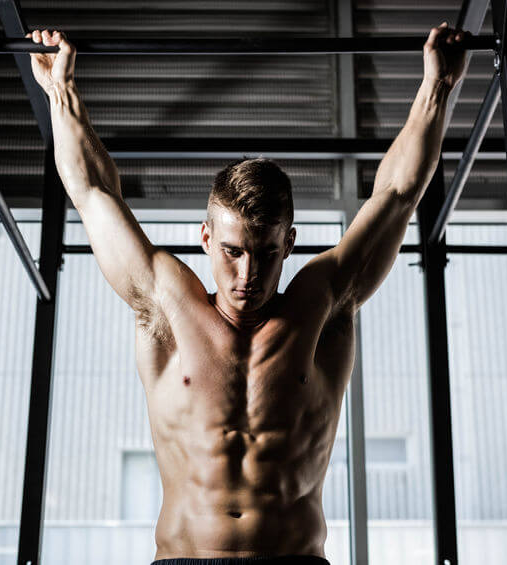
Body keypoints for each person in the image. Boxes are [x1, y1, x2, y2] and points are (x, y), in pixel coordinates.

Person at [27, 22, 470, 565]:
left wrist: (438, 88)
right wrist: (61, 91)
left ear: (290, 243)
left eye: (266, 253)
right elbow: (92, 191)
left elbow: (398, 195)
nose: (248, 273)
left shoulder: (320, 304)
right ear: (206, 238)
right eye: (233, 251)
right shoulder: (169, 304)